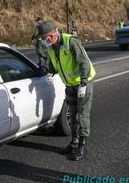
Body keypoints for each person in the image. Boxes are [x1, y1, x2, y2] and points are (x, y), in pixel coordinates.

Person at [36, 21, 96, 161]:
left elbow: (84, 63)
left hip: (83, 82)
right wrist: (49, 73)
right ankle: (74, 142)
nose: (46, 41)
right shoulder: (51, 48)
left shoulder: (71, 42)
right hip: (69, 84)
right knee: (73, 113)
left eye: (47, 37)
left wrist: (83, 82)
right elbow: (54, 65)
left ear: (54, 33)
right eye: (44, 39)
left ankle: (82, 145)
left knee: (82, 115)